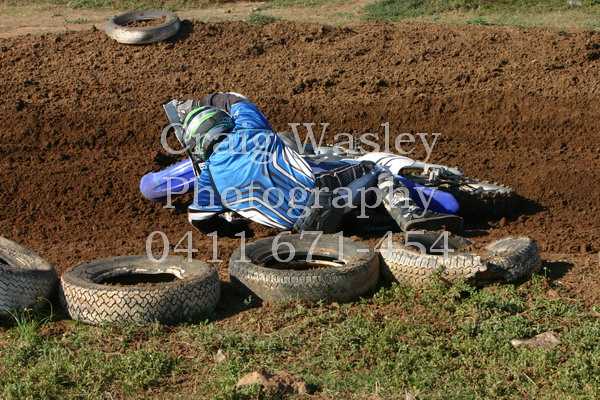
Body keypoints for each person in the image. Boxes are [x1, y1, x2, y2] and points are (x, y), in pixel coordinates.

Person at [167, 92, 463, 235]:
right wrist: (206, 99)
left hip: (298, 231)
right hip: (320, 199)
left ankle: (366, 223)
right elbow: (237, 100)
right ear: (221, 123)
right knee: (375, 170)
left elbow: (200, 219)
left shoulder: (208, 176)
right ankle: (410, 217)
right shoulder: (250, 129)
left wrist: (239, 231)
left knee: (344, 203)